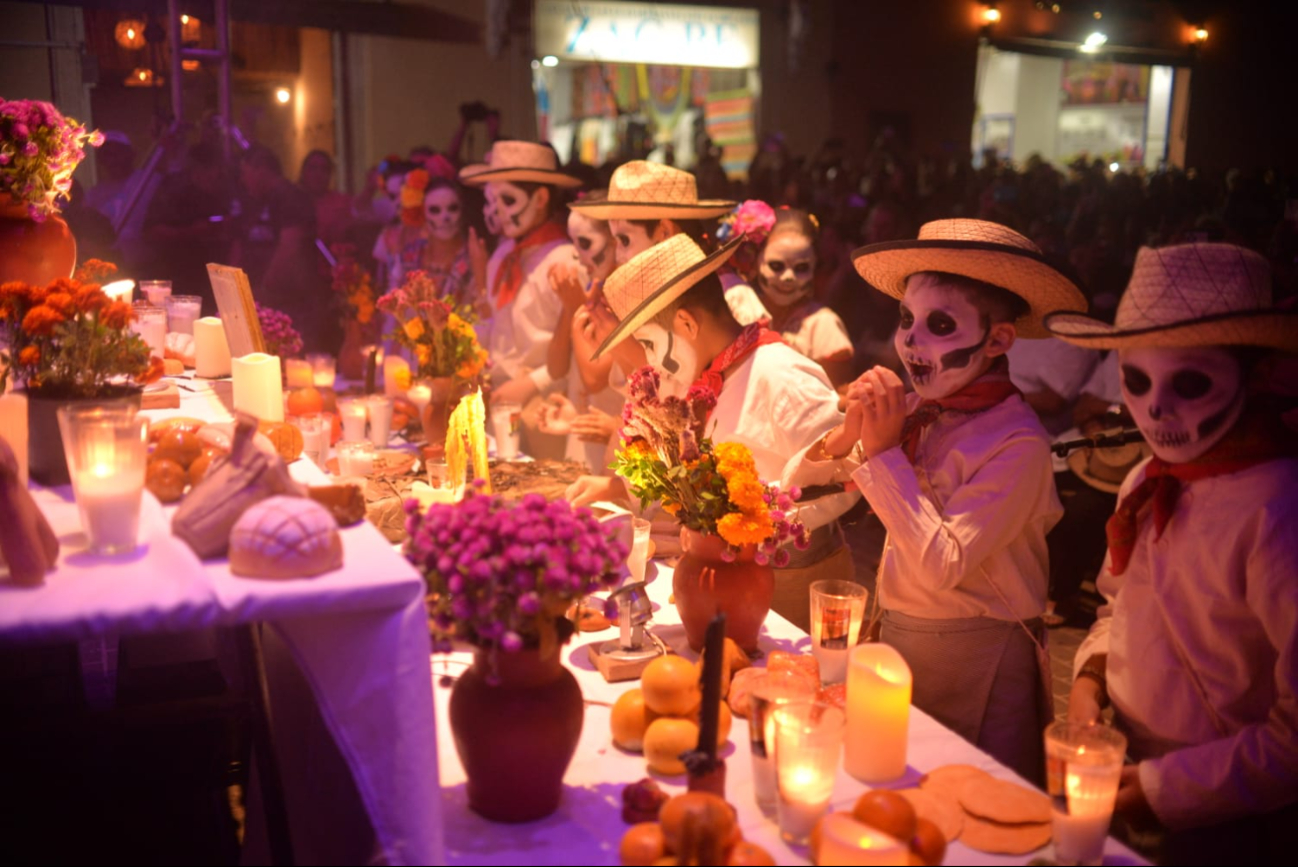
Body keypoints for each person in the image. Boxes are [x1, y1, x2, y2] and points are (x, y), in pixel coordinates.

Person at [788, 219, 1088, 784]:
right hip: (903, 640)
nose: (910, 342)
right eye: (906, 320)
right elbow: (801, 495)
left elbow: (939, 561)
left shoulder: (1018, 444)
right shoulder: (925, 412)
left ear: (998, 340)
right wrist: (845, 436)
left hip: (982, 658)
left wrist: (880, 455)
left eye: (940, 325)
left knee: (975, 803)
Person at [1049, 242, 1298, 865]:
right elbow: (1119, 607)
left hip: (1232, 818)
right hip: (1127, 769)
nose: (1156, 407)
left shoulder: (1277, 512)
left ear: (1258, 374)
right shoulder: (1144, 484)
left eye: (1191, 382)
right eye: (1136, 380)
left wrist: (1165, 789)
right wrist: (1090, 676)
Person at [572, 234, 852, 630]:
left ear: (686, 323)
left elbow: (846, 480)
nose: (651, 360)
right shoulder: (708, 376)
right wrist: (621, 487)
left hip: (796, 585)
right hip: (730, 581)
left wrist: (760, 522)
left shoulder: (781, 375)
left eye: (650, 344)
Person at [458, 140, 582, 457]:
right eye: (491, 200)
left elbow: (577, 350)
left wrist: (530, 385)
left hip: (548, 403)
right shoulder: (502, 256)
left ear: (540, 198)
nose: (497, 211)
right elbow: (498, 326)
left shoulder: (565, 260)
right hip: (499, 397)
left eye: (508, 199)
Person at [570, 160, 768, 327]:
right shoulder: (645, 295)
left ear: (664, 232)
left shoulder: (733, 297)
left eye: (625, 240)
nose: (618, 255)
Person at [537, 195, 624, 472]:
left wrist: (577, 306)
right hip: (582, 428)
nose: (577, 255)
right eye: (574, 244)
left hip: (617, 435)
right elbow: (556, 367)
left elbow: (595, 378)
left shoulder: (626, 296)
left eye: (585, 243)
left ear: (616, 242)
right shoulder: (594, 288)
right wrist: (571, 304)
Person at [230, 145, 322, 349]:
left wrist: (263, 291)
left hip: (290, 303)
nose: (243, 180)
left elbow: (289, 249)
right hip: (264, 300)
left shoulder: (292, 198)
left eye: (246, 173)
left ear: (261, 169)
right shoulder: (257, 201)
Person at [756, 208, 854, 389]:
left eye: (801, 268)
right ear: (757, 262)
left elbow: (840, 399)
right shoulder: (742, 311)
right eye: (776, 266)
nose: (788, 277)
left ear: (815, 265)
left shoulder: (824, 324)